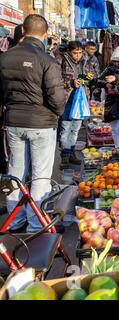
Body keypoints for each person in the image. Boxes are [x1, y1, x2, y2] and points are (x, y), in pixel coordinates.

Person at [0, 14, 66, 232]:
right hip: (41, 124)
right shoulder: (47, 60)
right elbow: (57, 98)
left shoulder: (5, 57)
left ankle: (15, 221)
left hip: (14, 122)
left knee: (16, 173)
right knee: (40, 177)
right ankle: (36, 224)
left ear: (23, 31)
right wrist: (56, 114)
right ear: (45, 34)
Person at [59, 40, 92, 168]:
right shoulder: (62, 61)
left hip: (81, 101)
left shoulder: (85, 60)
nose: (77, 55)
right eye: (75, 53)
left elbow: (92, 74)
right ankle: (65, 156)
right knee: (65, 128)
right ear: (69, 52)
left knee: (75, 129)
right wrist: (71, 84)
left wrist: (88, 77)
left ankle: (71, 153)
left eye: (79, 53)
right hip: (67, 100)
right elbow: (57, 81)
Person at [93, 46, 119, 148]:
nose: (117, 63)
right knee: (114, 127)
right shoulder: (109, 69)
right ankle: (118, 148)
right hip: (111, 101)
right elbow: (98, 81)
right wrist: (106, 84)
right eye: (115, 61)